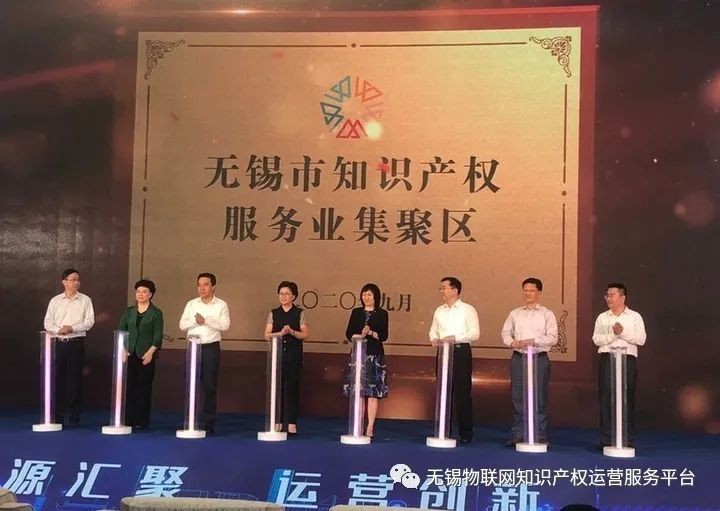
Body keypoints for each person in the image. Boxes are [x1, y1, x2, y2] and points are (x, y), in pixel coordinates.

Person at [501, 277, 558, 447]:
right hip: (519, 358)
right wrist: (512, 342)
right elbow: (505, 333)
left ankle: (540, 434)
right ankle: (518, 434)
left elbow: (553, 338)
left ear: (539, 293)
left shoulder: (547, 314)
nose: (528, 293)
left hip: (539, 358)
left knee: (539, 397)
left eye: (531, 290)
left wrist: (533, 341)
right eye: (525, 290)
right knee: (517, 396)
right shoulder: (515, 313)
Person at [592, 282, 646, 449]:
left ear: (622, 297)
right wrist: (613, 335)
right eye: (607, 295)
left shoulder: (634, 317)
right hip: (607, 359)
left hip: (627, 360)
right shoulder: (602, 317)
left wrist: (622, 332)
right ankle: (607, 439)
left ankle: (626, 438)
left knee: (626, 399)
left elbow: (641, 339)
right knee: (606, 398)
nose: (608, 298)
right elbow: (596, 339)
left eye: (612, 295)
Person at [428, 276, 479, 444]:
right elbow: (433, 330)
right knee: (444, 391)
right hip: (443, 352)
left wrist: (455, 337)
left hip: (460, 351)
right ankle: (444, 430)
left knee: (462, 392)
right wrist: (434, 338)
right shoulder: (439, 310)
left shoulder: (467, 309)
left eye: (444, 287)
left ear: (455, 290)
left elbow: (475, 333)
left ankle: (466, 432)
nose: (442, 291)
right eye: (441, 288)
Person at [179, 273, 230, 434]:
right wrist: (196, 321)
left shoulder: (221, 304)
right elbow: (182, 325)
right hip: (193, 347)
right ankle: (190, 420)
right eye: (199, 285)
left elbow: (225, 325)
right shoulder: (191, 304)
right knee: (191, 384)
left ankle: (208, 423)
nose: (202, 288)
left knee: (209, 386)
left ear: (213, 286)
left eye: (206, 284)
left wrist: (206, 320)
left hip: (211, 348)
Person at [43, 268, 95, 425]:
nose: (76, 282)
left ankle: (74, 414)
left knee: (75, 379)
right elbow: (47, 322)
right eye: (73, 279)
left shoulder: (85, 300)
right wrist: (59, 330)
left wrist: (72, 328)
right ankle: (57, 414)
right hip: (58, 344)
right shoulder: (55, 301)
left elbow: (89, 322)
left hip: (76, 343)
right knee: (57, 378)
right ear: (64, 282)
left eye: (78, 279)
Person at [343, 283, 389, 438]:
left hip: (374, 355)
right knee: (359, 392)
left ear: (376, 297)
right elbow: (349, 333)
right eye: (364, 295)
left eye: (369, 295)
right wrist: (357, 336)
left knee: (373, 393)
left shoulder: (382, 314)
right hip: (358, 355)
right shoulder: (356, 312)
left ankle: (370, 427)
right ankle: (358, 424)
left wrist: (371, 332)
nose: (366, 298)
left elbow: (384, 336)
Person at [118, 279, 164, 430]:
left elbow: (158, 336)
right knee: (129, 387)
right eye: (138, 291)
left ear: (150, 294)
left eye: (144, 292)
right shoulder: (129, 311)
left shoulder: (156, 313)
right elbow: (121, 330)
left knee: (144, 388)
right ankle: (128, 419)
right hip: (129, 354)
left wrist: (151, 352)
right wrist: (123, 349)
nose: (140, 294)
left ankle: (141, 420)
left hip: (147, 355)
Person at [264, 281, 309, 435]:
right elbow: (266, 335)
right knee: (277, 390)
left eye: (287, 294)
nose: (283, 296)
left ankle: (292, 422)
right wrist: (280, 333)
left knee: (293, 389)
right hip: (277, 356)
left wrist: (292, 332)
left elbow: (305, 335)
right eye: (281, 294)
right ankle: (277, 421)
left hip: (294, 357)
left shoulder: (300, 313)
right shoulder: (274, 313)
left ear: (294, 296)